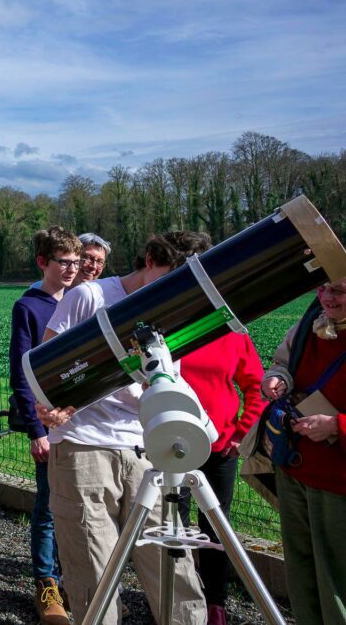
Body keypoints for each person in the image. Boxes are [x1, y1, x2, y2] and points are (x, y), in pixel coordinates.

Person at [38, 232, 209, 625]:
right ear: (149, 258)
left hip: (146, 448)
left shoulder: (173, 308)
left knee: (172, 565)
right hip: (85, 447)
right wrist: (49, 408)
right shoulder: (91, 298)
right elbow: (45, 370)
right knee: (93, 572)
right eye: (169, 276)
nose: (173, 289)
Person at [172, 235, 265, 625]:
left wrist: (239, 434)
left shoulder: (231, 330)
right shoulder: (169, 329)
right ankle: (177, 601)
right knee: (170, 525)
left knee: (216, 528)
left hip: (220, 445)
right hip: (172, 445)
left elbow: (255, 387)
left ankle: (215, 603)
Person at [261, 277, 346, 624]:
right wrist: (277, 379)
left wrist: (337, 426)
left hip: (338, 482)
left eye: (339, 290)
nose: (326, 297)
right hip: (294, 469)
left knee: (336, 579)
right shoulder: (309, 324)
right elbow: (283, 363)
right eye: (323, 287)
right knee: (301, 569)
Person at [8, 227, 82, 623]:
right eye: (63, 262)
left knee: (79, 506)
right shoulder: (29, 307)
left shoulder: (82, 299)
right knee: (49, 506)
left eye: (75, 262)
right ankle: (46, 583)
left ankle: (75, 578)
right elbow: (22, 374)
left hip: (81, 423)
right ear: (43, 262)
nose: (71, 269)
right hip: (46, 424)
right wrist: (37, 431)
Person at [29, 231, 109, 290]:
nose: (94, 266)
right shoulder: (39, 291)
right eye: (88, 258)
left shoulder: (102, 297)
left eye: (100, 262)